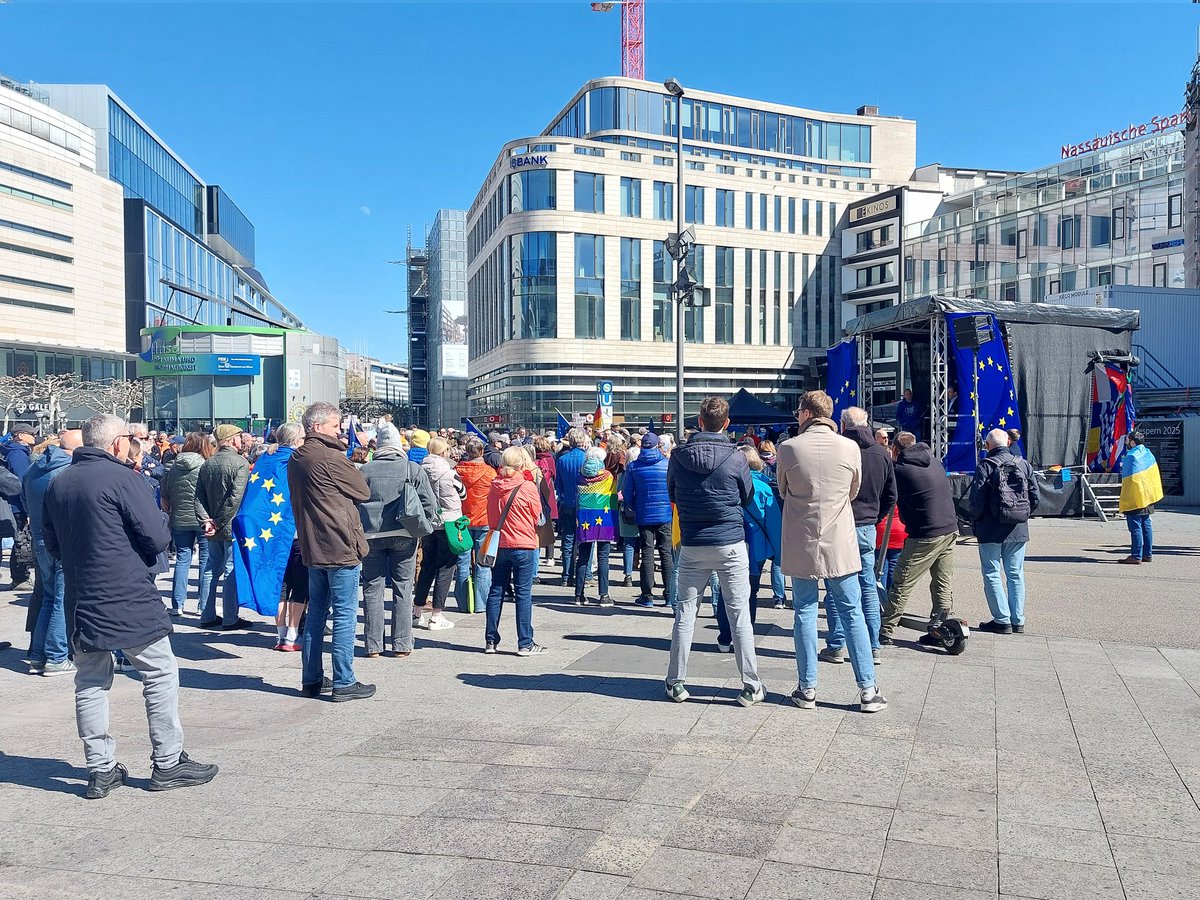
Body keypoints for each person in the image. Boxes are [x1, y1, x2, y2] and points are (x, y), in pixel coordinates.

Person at [43, 414, 217, 799]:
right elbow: (156, 537)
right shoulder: (124, 478)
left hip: (81, 598)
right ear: (117, 443)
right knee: (160, 673)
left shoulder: (60, 482)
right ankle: (168, 762)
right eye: (128, 436)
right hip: (126, 595)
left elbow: (51, 543)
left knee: (89, 681)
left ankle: (100, 769)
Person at [778, 392, 886, 713]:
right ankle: (868, 689)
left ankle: (807, 687)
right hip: (839, 539)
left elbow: (783, 489)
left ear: (807, 413)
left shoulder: (789, 448)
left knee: (805, 612)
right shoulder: (850, 446)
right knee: (852, 612)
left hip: (801, 538)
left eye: (799, 411)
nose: (797, 416)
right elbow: (853, 490)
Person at [665, 397, 764, 707]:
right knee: (739, 615)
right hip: (730, 541)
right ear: (727, 423)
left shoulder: (679, 456)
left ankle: (675, 682)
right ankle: (750, 684)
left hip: (694, 541)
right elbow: (747, 497)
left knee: (685, 614)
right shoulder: (736, 458)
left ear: (699, 420)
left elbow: (672, 494)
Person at [288, 401, 374, 701]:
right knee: (345, 615)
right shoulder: (328, 456)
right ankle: (344, 681)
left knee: (315, 617)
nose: (340, 431)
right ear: (317, 427)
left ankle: (311, 679)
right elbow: (363, 491)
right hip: (338, 544)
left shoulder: (298, 456)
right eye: (336, 426)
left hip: (313, 544)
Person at [820, 407, 896, 665]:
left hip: (841, 524)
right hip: (866, 526)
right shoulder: (881, 454)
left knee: (835, 585)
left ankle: (837, 644)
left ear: (843, 425)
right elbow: (891, 495)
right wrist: (875, 516)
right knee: (868, 585)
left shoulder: (838, 449)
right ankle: (873, 644)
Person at [359, 427, 437, 657]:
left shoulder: (365, 470)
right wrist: (423, 527)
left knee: (372, 589)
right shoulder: (411, 468)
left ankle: (373, 646)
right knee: (403, 588)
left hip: (371, 535)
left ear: (378, 447)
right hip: (405, 533)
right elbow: (429, 504)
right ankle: (402, 645)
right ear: (398, 445)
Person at [878, 432, 960, 646]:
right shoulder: (934, 462)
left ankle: (885, 630)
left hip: (925, 533)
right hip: (950, 528)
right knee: (942, 581)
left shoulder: (900, 470)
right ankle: (941, 627)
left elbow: (885, 494)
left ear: (895, 450)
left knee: (902, 580)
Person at [22, 428, 82, 676]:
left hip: (39, 537)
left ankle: (38, 655)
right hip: (60, 540)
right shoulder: (68, 471)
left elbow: (25, 501)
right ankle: (56, 656)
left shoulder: (33, 468)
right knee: (60, 598)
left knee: (48, 596)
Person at [969, 428, 1038, 634]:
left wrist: (976, 521)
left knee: (992, 573)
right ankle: (1018, 620)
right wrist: (1021, 515)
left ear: (987, 446)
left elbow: (976, 501)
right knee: (1015, 574)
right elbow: (1035, 497)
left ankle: (1002, 619)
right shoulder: (1023, 464)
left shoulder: (986, 465)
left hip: (990, 529)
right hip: (1018, 528)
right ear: (1008, 443)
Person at [715, 445, 780, 651]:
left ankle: (725, 637)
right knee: (750, 592)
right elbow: (774, 525)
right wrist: (779, 554)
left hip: (727, 542)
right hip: (756, 548)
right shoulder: (765, 488)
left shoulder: (723, 484)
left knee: (727, 591)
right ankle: (744, 636)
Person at [484, 446, 545, 655]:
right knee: (523, 594)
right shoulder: (527, 487)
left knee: (496, 590)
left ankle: (491, 641)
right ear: (522, 463)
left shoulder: (494, 486)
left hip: (499, 544)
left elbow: (490, 514)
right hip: (523, 544)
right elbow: (539, 518)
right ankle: (525, 643)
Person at [194, 424, 251, 630]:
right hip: (230, 524)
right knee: (230, 569)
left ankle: (207, 614)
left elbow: (198, 496)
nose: (242, 440)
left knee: (211, 568)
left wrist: (206, 520)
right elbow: (235, 498)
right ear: (231, 440)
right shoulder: (240, 463)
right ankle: (230, 617)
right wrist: (216, 520)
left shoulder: (208, 463)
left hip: (213, 524)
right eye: (239, 436)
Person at [413, 436, 465, 630]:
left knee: (426, 565)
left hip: (428, 523)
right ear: (444, 452)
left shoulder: (418, 470)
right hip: (449, 523)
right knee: (446, 568)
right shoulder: (450, 473)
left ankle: (417, 611)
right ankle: (437, 615)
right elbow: (463, 494)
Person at [161, 433, 214, 618]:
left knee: (183, 559)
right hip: (203, 517)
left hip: (179, 517)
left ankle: (178, 604)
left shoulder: (173, 465)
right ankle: (203, 606)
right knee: (205, 561)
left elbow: (165, 491)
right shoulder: (206, 465)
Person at [624, 432, 673, 608]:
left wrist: (634, 506)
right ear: (656, 446)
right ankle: (669, 595)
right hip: (665, 514)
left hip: (643, 514)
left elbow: (627, 493)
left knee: (647, 552)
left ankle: (647, 595)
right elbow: (673, 488)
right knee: (666, 553)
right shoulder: (667, 465)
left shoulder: (633, 467)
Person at [455, 438, 497, 614]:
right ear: (481, 452)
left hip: (462, 521)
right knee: (483, 563)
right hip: (484, 520)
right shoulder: (490, 472)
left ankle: (464, 603)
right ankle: (481, 602)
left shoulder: (457, 471)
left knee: (462, 562)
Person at [573, 448, 617, 607]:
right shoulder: (607, 477)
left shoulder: (579, 476)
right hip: (603, 518)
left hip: (584, 518)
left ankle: (579, 595)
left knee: (583, 556)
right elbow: (613, 494)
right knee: (603, 557)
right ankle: (604, 595)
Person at [1118, 430, 1164, 565]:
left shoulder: (1131, 456)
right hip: (1148, 496)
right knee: (1146, 525)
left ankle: (1136, 555)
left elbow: (1127, 480)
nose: (1126, 443)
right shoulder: (1148, 453)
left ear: (1132, 442)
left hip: (1136, 497)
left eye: (1127, 440)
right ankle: (1147, 554)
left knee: (1135, 527)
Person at [554, 428, 589, 588]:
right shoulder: (587, 458)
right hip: (585, 504)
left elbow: (558, 484)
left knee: (568, 540)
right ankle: (584, 574)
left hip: (567, 502)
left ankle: (566, 575)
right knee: (584, 539)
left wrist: (563, 496)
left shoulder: (562, 459)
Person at [3, 423, 36, 591]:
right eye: (31, 433)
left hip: (11, 504)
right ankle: (20, 578)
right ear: (21, 436)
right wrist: (28, 507)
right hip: (17, 505)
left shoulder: (11, 451)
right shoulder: (17, 453)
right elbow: (22, 482)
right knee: (22, 541)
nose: (34, 437)